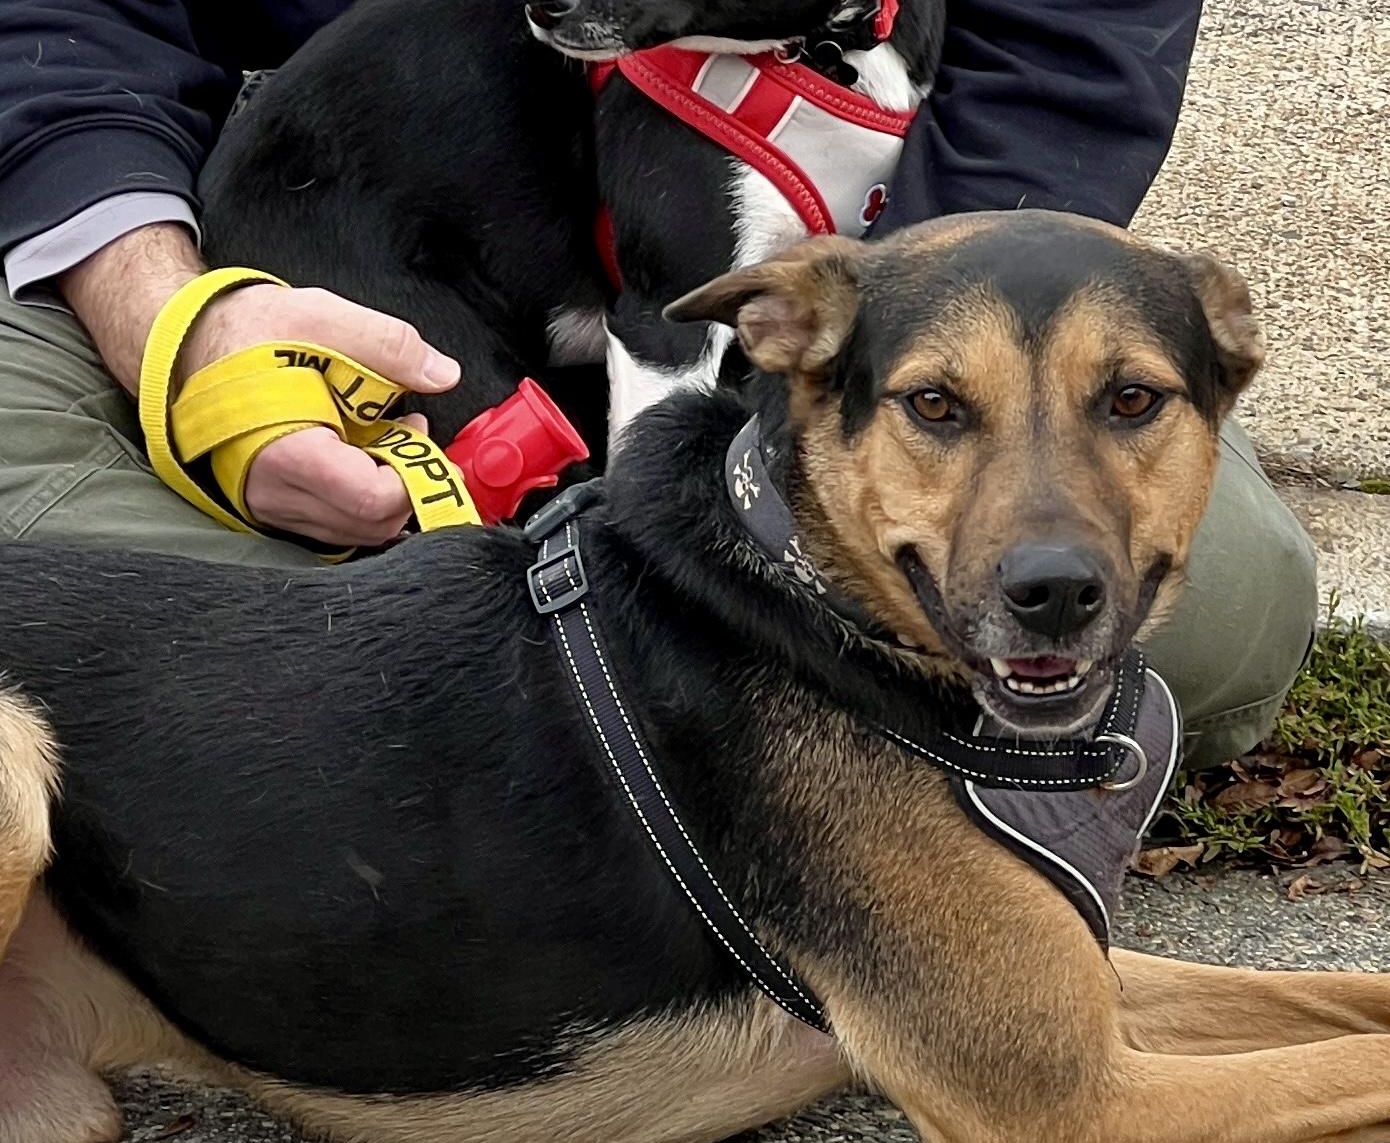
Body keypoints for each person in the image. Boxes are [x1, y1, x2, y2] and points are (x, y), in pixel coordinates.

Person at [0, 0, 1316, 767]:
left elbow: (1062, 60)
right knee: (48, 577)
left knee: (1209, 609)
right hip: (240, 203)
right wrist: (168, 325)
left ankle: (523, 723)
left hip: (847, 255)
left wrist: (909, 387)